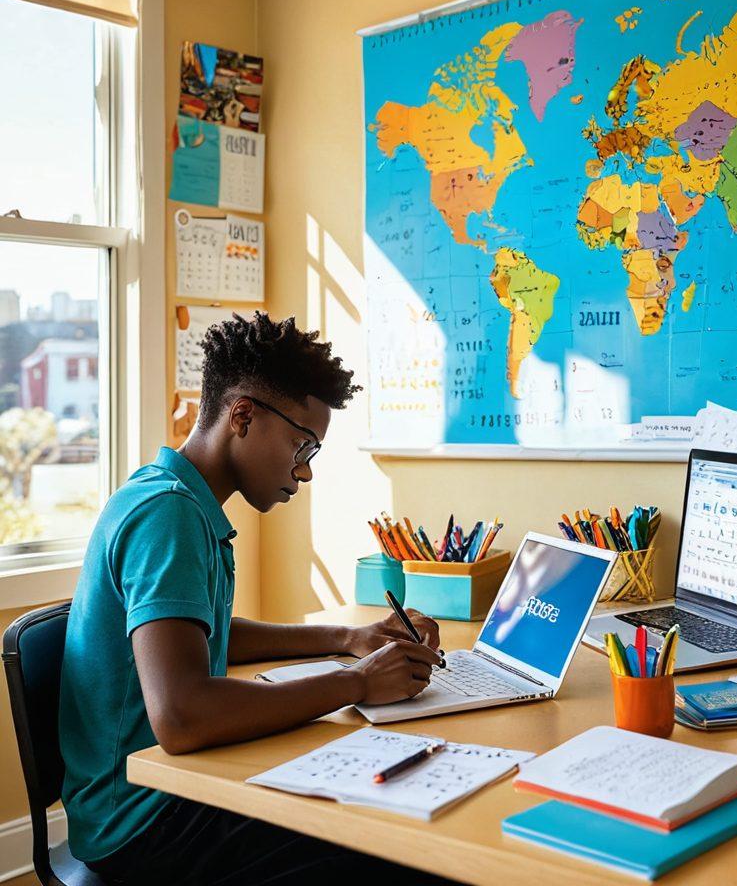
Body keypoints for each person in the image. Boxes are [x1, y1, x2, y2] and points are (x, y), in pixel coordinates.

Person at [60, 312, 453, 885]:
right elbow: (182, 716)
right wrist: (359, 682)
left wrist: (347, 638)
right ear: (242, 415)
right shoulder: (166, 515)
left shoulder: (183, 502)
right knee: (394, 849)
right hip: (143, 821)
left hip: (167, 792)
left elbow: (211, 632)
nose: (306, 472)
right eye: (303, 445)